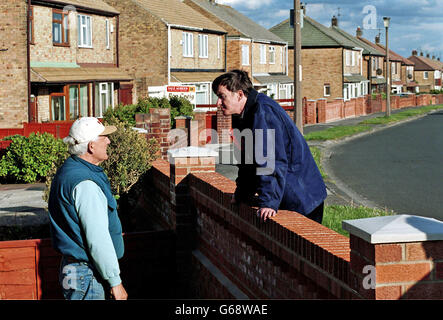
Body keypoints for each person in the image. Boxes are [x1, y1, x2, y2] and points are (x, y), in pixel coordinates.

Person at [212, 70, 327, 223]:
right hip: (288, 193)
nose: (218, 103)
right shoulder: (242, 115)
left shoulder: (263, 112)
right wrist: (242, 193)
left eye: (222, 96)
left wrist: (269, 202)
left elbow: (270, 160)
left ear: (239, 95)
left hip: (303, 197)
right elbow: (246, 161)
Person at [48, 117, 128, 300]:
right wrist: (115, 282)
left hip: (75, 270)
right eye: (104, 137)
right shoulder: (85, 183)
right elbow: (97, 238)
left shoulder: (69, 171)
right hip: (87, 274)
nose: (108, 141)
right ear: (91, 146)